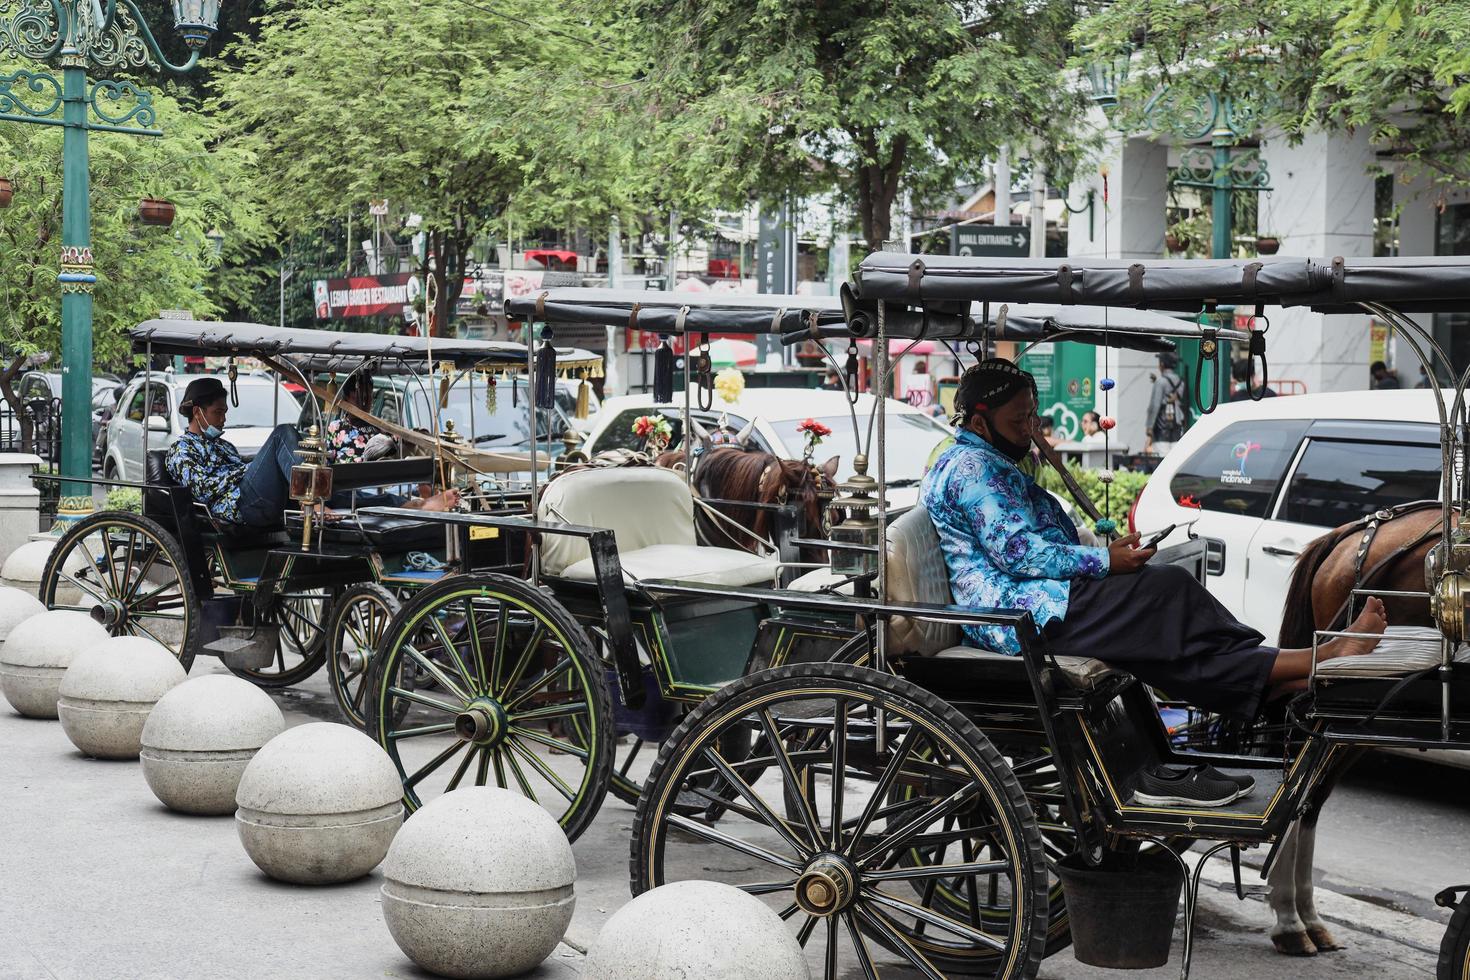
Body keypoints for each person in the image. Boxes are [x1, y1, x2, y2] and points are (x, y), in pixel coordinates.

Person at [921, 359, 1387, 805]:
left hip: (1039, 601)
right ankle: (1303, 663)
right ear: (981, 425)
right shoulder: (971, 469)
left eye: (1032, 417)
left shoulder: (984, 462)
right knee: (1165, 587)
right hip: (1021, 614)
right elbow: (1019, 551)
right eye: (1019, 420)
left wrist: (1105, 556)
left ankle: (1293, 668)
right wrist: (1104, 561)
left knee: (1169, 641)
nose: (1030, 430)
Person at [165, 377, 457, 529]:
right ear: (197, 412)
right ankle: (312, 502)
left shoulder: (223, 445)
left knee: (332, 487)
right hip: (239, 506)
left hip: (256, 493)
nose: (223, 419)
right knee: (283, 433)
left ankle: (408, 505)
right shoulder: (180, 451)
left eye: (225, 412)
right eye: (218, 413)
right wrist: (248, 470)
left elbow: (245, 468)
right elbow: (205, 489)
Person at [1144, 352, 1189, 457]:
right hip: (1177, 422)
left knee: (1161, 455)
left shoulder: (1160, 382)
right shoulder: (1180, 381)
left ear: (1162, 364)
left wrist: (1149, 426)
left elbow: (1154, 406)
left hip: (1162, 424)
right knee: (1174, 455)